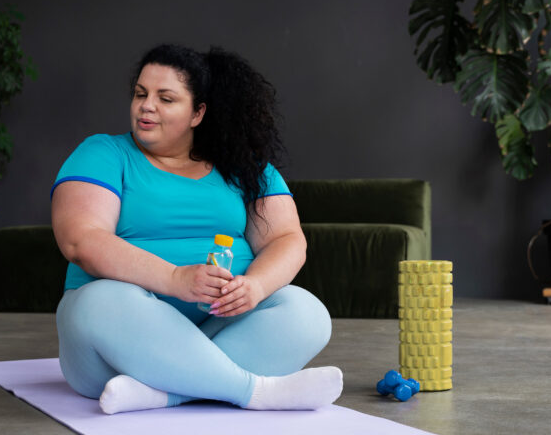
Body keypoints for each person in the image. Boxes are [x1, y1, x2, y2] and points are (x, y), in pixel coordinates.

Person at [51, 43, 342, 414]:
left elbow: (287, 239)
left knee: (306, 311)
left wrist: (256, 286)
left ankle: (163, 392)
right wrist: (174, 278)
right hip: (113, 344)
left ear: (197, 112)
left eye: (165, 98)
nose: (146, 106)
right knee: (99, 301)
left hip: (217, 330)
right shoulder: (104, 154)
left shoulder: (244, 166)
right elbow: (81, 240)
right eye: (141, 94)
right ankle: (252, 391)